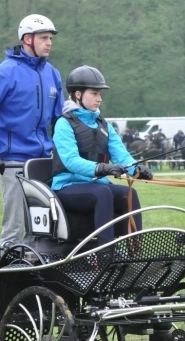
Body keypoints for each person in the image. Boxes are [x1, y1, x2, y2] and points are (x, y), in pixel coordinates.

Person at [0, 14, 64, 252]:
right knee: (15, 230)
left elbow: (60, 121)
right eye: (44, 38)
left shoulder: (52, 74)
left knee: (43, 229)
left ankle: (35, 281)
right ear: (27, 39)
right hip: (13, 163)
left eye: (51, 38)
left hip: (43, 162)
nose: (49, 43)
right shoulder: (6, 72)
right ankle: (6, 283)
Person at [51, 65, 153, 245]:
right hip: (67, 186)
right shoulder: (64, 124)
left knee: (129, 194)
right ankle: (105, 253)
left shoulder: (104, 125)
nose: (99, 99)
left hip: (96, 185)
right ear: (77, 94)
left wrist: (136, 169)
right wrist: (101, 168)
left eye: (100, 94)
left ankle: (135, 250)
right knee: (102, 192)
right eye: (94, 93)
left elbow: (121, 156)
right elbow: (71, 161)